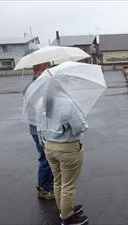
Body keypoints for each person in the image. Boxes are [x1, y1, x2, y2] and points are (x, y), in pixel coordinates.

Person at [41, 97, 89, 225]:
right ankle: (68, 218)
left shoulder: (42, 102)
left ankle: (63, 209)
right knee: (68, 185)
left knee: (58, 180)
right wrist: (84, 121)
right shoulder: (68, 103)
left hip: (49, 146)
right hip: (67, 147)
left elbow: (39, 127)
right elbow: (78, 127)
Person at [24, 62, 54, 200]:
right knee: (46, 158)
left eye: (49, 67)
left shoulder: (41, 84)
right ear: (37, 70)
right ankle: (44, 188)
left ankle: (49, 184)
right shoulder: (33, 87)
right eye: (45, 68)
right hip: (38, 129)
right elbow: (41, 108)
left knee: (50, 157)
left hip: (44, 128)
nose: (48, 70)